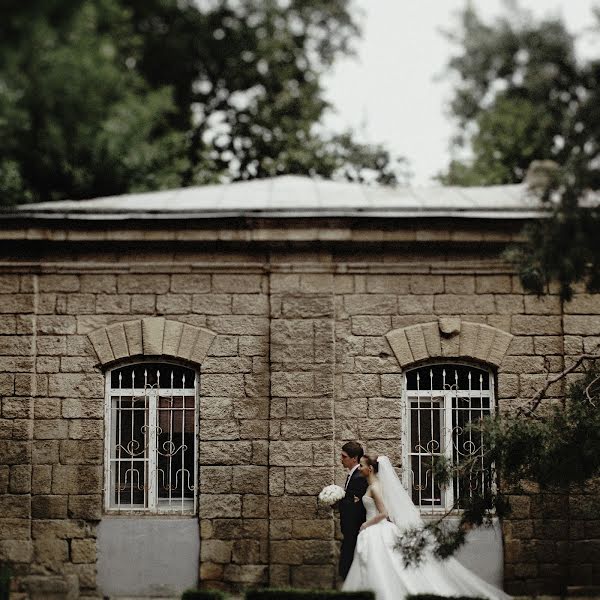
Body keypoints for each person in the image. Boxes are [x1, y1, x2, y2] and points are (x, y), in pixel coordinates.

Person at [342, 455, 511, 600]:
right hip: (376, 529)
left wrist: (366, 524)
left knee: (379, 564)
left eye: (362, 466)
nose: (360, 469)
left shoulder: (374, 487)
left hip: (376, 529)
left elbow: (384, 512)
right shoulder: (375, 486)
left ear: (370, 469)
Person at [338, 441, 369, 580]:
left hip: (354, 527)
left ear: (354, 458)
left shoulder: (358, 476)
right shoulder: (352, 475)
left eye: (344, 456)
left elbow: (356, 504)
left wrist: (338, 503)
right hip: (349, 527)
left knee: (349, 558)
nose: (341, 459)